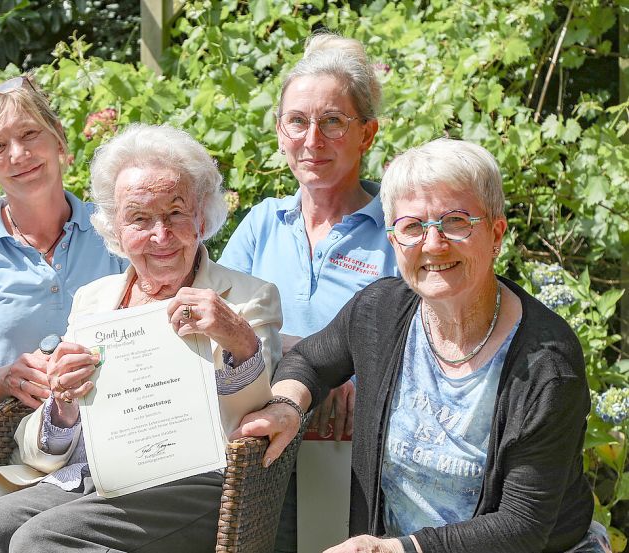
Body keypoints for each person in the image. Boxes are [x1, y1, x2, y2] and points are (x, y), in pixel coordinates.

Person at [235, 138, 610, 553]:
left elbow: (521, 526)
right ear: (394, 241)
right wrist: (288, 406)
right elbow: (311, 359)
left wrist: (398, 549)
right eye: (413, 227)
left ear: (496, 232)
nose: (433, 244)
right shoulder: (380, 311)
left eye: (455, 222)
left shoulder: (546, 364)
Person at [0, 124, 283, 553]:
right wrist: (64, 405)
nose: (160, 236)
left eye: (176, 213)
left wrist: (238, 338)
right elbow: (40, 443)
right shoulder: (94, 301)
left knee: (42, 541)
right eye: (139, 219)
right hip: (90, 479)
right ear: (117, 230)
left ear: (201, 215)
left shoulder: (247, 297)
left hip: (193, 482)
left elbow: (255, 413)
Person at [217, 31, 399, 549]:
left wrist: (355, 376)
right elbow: (223, 330)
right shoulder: (261, 223)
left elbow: (420, 343)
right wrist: (326, 364)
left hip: (359, 453)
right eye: (297, 121)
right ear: (279, 132)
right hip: (261, 449)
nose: (312, 140)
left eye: (333, 122)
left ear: (367, 134)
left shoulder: (397, 228)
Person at [0, 74, 126, 413]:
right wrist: (4, 380)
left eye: (29, 134)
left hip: (114, 435)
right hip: (3, 456)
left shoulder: (113, 229)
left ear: (59, 138)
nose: (18, 154)